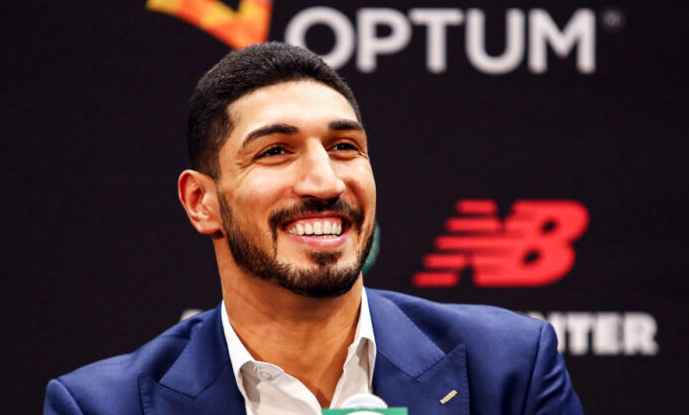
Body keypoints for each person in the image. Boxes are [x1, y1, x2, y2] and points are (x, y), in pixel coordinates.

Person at [44, 42, 583, 415]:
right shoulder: (101, 405)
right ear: (201, 201)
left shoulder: (510, 367)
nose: (325, 182)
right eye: (276, 151)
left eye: (344, 147)